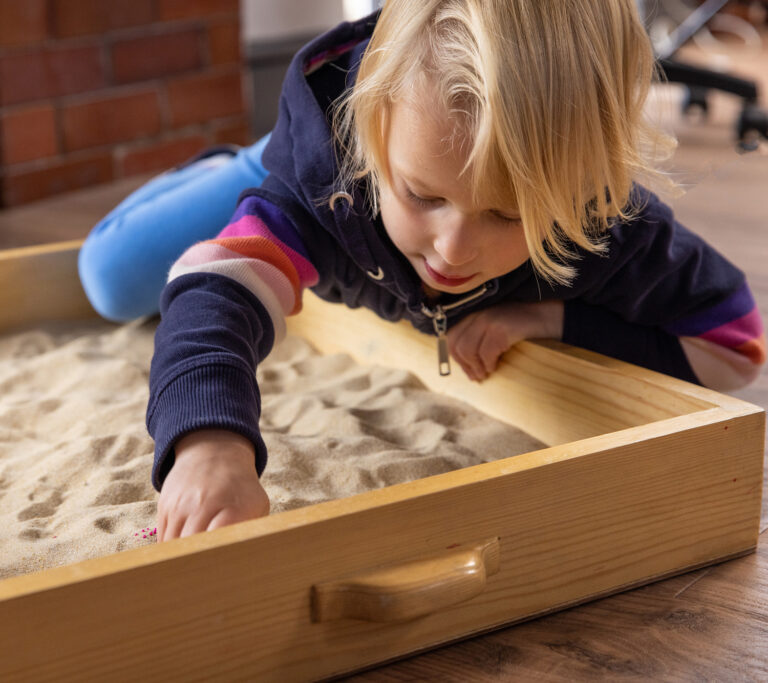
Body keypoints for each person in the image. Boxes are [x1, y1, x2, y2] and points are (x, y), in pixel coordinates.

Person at [78, 0, 766, 542]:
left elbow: (738, 344)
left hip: (386, 149)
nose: (455, 249)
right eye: (425, 197)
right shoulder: (328, 180)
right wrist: (208, 441)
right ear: (374, 128)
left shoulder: (602, 214)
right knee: (110, 279)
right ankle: (250, 163)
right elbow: (217, 283)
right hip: (321, 161)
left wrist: (551, 317)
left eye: (508, 214)